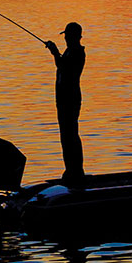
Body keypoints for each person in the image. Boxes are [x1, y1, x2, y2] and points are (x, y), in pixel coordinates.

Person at [45, 22, 86, 182]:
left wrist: (55, 52)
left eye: (68, 35)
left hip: (70, 99)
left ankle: (76, 171)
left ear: (76, 36)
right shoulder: (70, 51)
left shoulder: (77, 53)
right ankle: (71, 170)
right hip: (63, 100)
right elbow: (62, 66)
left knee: (70, 135)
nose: (66, 38)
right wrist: (57, 54)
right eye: (66, 35)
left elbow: (66, 69)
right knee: (66, 135)